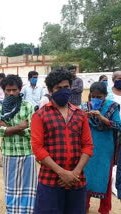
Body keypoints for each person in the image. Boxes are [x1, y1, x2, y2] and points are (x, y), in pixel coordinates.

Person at [31, 68, 93, 214]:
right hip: (50, 181)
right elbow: (38, 148)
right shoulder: (40, 115)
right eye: (59, 88)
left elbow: (88, 146)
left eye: (66, 87)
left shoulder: (80, 115)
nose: (64, 91)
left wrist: (74, 173)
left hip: (76, 181)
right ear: (50, 90)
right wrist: (61, 172)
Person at [0, 75, 37, 214]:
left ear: (20, 89)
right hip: (9, 153)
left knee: (28, 187)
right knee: (11, 187)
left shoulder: (28, 107)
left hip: (27, 153)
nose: (11, 93)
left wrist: (8, 128)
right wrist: (20, 127)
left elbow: (33, 131)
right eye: (8, 90)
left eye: (14, 90)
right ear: (4, 90)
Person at [83, 82, 121, 214]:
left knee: (105, 177)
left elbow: (118, 125)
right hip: (89, 147)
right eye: (93, 96)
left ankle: (104, 209)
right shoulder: (85, 107)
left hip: (106, 148)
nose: (96, 99)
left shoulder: (113, 107)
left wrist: (101, 117)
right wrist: (84, 117)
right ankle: (84, 206)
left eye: (99, 97)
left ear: (105, 96)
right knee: (85, 177)